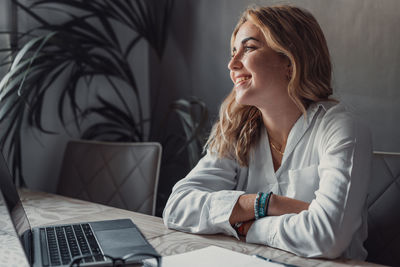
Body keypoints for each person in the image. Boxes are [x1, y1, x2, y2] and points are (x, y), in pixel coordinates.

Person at [163, 5, 372, 260]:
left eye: (249, 48)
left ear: (290, 60)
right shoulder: (236, 129)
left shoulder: (342, 128)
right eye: (233, 51)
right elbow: (177, 208)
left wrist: (246, 225)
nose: (232, 63)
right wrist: (267, 204)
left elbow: (326, 237)